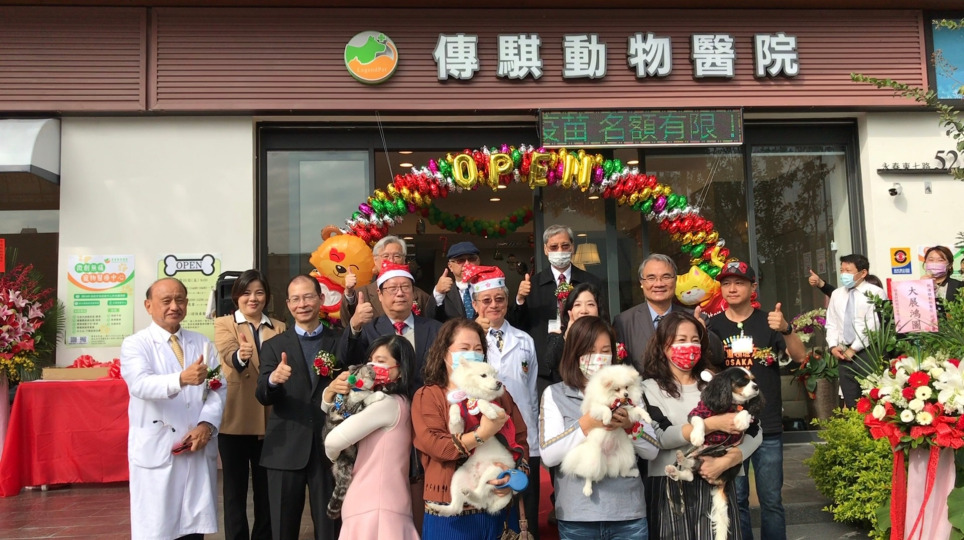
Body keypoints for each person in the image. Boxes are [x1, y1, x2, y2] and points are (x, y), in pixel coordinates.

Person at [705, 261, 806, 540]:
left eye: (739, 283)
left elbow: (800, 357)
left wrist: (786, 329)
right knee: (736, 499)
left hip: (767, 424)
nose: (732, 288)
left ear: (752, 287)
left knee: (771, 500)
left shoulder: (769, 322)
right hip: (731, 426)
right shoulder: (713, 325)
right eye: (726, 283)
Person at [120, 277, 225, 540]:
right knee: (158, 529)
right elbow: (140, 384)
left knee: (193, 530)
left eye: (180, 300)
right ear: (148, 305)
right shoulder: (136, 344)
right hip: (158, 449)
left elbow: (218, 388)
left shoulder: (201, 343)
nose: (174, 306)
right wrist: (180, 379)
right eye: (166, 301)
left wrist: (206, 425)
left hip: (195, 446)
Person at [641, 311, 762, 539]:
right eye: (681, 340)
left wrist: (731, 459)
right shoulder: (648, 388)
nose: (689, 346)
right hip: (670, 486)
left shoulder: (716, 384)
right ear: (663, 345)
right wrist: (710, 425)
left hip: (718, 481)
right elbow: (659, 436)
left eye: (695, 340)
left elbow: (755, 429)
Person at [540, 316, 658, 539]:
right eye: (590, 351)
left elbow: (652, 451)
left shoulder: (628, 392)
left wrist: (630, 426)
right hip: (578, 517)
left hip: (628, 515)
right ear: (574, 354)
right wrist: (586, 424)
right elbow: (549, 455)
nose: (599, 358)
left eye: (605, 351)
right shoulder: (555, 394)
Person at [412, 318, 530, 540]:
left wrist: (512, 479)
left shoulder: (500, 394)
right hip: (452, 517)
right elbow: (436, 446)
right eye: (464, 348)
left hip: (497, 511)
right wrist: (482, 434)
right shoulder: (428, 396)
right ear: (444, 353)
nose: (472, 354)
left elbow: (521, 439)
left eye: (478, 349)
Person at [256, 274, 342, 540]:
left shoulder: (340, 341)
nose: (302, 304)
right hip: (285, 448)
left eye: (308, 297)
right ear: (288, 304)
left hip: (329, 449)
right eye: (295, 299)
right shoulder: (273, 346)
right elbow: (262, 394)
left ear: (321, 299)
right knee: (283, 528)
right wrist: (273, 379)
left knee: (330, 528)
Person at [464, 263, 541, 539]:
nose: (494, 305)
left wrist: (534, 435)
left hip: (523, 436)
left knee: (526, 515)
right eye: (486, 300)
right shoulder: (467, 343)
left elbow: (531, 392)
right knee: (489, 512)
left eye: (499, 299)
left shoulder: (524, 340)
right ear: (475, 304)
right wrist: (474, 336)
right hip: (484, 437)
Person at [322, 335, 420, 540]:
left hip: (373, 505)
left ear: (401, 370)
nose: (373, 366)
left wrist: (336, 457)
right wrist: (331, 393)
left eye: (381, 361)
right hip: (385, 503)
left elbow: (333, 441)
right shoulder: (401, 402)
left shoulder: (387, 404)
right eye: (371, 360)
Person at [213, 269, 285, 540]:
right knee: (234, 491)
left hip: (270, 420)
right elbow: (227, 354)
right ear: (236, 296)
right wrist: (241, 356)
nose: (252, 298)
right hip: (235, 417)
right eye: (246, 293)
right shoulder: (224, 323)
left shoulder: (279, 327)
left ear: (267, 296)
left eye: (259, 292)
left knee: (266, 491)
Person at [512, 224, 603, 392]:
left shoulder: (590, 282)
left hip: (583, 363)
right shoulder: (532, 285)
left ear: (572, 247)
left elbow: (602, 322)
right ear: (545, 250)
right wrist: (520, 299)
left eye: (565, 246)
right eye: (554, 247)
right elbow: (519, 326)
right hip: (545, 369)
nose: (560, 251)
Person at [613, 253, 724, 374]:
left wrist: (703, 333)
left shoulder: (695, 318)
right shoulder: (624, 322)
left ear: (675, 280)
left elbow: (718, 357)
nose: (659, 284)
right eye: (651, 278)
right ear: (641, 282)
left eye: (666, 277)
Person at [340, 261, 443, 388]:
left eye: (405, 287)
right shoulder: (369, 330)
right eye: (392, 288)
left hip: (424, 397)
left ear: (413, 292)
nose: (400, 293)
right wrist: (355, 324)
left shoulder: (435, 329)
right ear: (380, 294)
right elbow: (347, 360)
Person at [824, 254, 886, 409]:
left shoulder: (876, 292)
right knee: (851, 402)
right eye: (842, 270)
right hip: (843, 354)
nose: (843, 274)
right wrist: (832, 346)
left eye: (848, 270)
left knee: (872, 401)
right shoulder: (837, 294)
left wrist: (854, 348)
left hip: (868, 352)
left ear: (863, 273)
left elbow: (873, 325)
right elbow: (831, 323)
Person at [340, 235, 436, 322]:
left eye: (397, 256)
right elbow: (347, 325)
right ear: (375, 260)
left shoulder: (420, 296)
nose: (391, 260)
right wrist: (349, 293)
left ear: (404, 260)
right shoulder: (362, 294)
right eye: (385, 256)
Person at [545, 282, 609, 383]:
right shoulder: (557, 336)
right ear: (570, 310)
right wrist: (568, 336)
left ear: (598, 309)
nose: (584, 310)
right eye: (577, 304)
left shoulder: (606, 336)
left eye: (590, 304)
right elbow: (551, 362)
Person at [432, 241, 481, 321]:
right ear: (450, 266)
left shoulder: (489, 288)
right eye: (460, 260)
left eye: (471, 259)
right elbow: (430, 318)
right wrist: (438, 292)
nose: (467, 264)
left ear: (478, 262)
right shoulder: (444, 294)